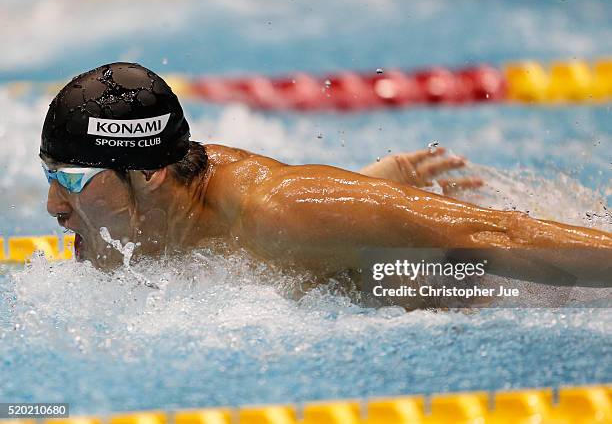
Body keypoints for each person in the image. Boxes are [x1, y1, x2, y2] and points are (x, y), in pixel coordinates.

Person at [41, 63, 612, 290]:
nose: (53, 207)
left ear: (150, 173)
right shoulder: (165, 216)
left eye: (71, 180)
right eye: (51, 176)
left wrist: (355, 204)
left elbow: (501, 238)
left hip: (497, 288)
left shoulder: (280, 208)